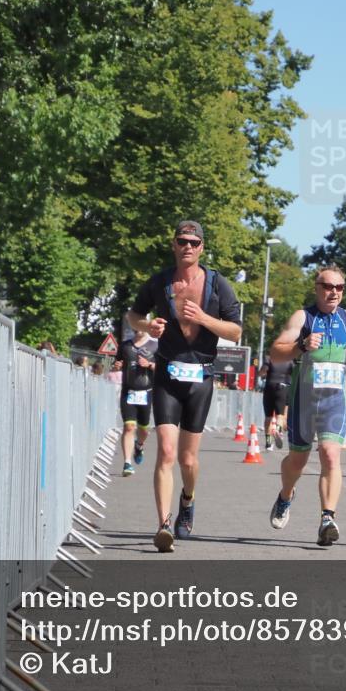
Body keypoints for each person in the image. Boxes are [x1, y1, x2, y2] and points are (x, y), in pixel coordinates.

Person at [126, 221, 242, 553]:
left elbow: (235, 331)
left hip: (201, 378)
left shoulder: (218, 285)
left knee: (188, 460)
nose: (188, 247)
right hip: (167, 375)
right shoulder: (160, 281)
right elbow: (133, 316)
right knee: (165, 451)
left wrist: (205, 319)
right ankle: (163, 525)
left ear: (202, 247)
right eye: (182, 241)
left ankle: (187, 500)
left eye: (194, 242)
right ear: (174, 244)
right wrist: (147, 325)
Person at [268, 266, 346, 546]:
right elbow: (275, 352)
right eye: (328, 286)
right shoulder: (303, 316)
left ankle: (327, 518)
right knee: (298, 460)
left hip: (334, 400)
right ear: (317, 287)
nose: (334, 292)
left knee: (331, 454)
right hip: (303, 400)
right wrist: (301, 346)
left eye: (340, 288)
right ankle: (286, 495)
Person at [118, 332, 157, 476]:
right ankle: (127, 463)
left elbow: (164, 369)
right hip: (128, 392)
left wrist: (150, 365)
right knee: (129, 427)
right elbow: (118, 363)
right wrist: (117, 365)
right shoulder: (125, 345)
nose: (138, 329)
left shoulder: (155, 345)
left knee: (143, 430)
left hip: (146, 392)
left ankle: (139, 445)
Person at [259, 355, 293, 451]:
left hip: (269, 387)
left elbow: (263, 371)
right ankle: (278, 431)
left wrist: (262, 373)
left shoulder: (268, 358)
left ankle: (268, 443)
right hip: (283, 388)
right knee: (280, 415)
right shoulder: (290, 359)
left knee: (268, 417)